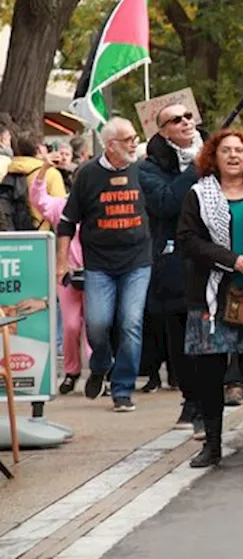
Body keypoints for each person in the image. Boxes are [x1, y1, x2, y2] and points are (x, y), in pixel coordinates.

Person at [179, 128, 243, 469]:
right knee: (209, 374)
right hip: (210, 295)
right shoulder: (198, 195)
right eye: (226, 151)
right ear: (213, 158)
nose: (233, 156)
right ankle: (213, 446)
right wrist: (230, 259)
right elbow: (187, 240)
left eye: (240, 151)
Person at [56, 118, 151, 412]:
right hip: (99, 264)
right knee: (97, 324)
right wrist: (62, 262)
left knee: (131, 323)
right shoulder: (87, 174)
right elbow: (67, 222)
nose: (135, 143)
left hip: (137, 261)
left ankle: (122, 389)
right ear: (111, 145)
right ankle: (99, 364)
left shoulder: (143, 170)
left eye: (136, 137)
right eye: (128, 139)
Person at [138, 103, 204, 431]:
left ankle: (216, 393)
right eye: (176, 119)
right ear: (163, 130)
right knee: (180, 332)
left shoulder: (216, 154)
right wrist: (195, 168)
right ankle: (191, 399)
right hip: (175, 260)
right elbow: (165, 203)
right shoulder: (148, 169)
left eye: (188, 116)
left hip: (214, 255)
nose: (186, 122)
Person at [31, 166, 88, 397]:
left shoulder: (100, 205)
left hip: (99, 271)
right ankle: (72, 372)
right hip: (67, 274)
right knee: (71, 326)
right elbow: (38, 199)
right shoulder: (60, 206)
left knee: (97, 324)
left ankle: (99, 371)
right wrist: (43, 170)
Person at [10, 132, 66, 230]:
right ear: (39, 149)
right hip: (43, 235)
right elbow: (60, 210)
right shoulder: (51, 174)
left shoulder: (8, 169)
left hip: (12, 233)